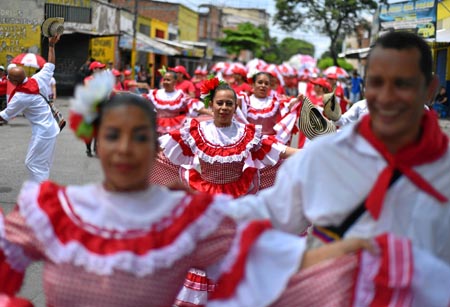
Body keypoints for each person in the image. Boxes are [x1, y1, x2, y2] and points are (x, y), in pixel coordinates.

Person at [1, 71, 449, 307]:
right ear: (96, 142)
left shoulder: (198, 222)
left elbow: (289, 267)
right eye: (113, 136)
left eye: (138, 136)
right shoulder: (51, 210)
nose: (125, 150)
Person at [226, 31, 450, 280]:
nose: (387, 96)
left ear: (429, 88)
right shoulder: (325, 156)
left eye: (402, 83)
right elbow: (274, 216)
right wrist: (200, 212)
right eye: (376, 81)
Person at [151, 79, 299, 198]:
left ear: (235, 107)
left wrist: (310, 152)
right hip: (204, 191)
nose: (224, 107)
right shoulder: (196, 131)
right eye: (219, 103)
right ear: (212, 105)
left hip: (238, 192)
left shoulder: (247, 133)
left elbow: (280, 150)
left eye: (229, 104)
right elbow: (162, 145)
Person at [0, 34, 61, 182]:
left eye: (9, 77)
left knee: (33, 163)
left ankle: (43, 195)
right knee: (42, 164)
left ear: (14, 81)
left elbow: (3, 116)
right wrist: (51, 45)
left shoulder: (21, 96)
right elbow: (51, 64)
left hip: (44, 132)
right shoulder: (38, 79)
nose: (7, 78)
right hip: (50, 128)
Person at [143, 70, 210, 135]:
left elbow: (195, 107)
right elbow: (140, 101)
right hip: (157, 125)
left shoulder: (180, 95)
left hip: (175, 126)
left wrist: (211, 113)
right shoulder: (156, 94)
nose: (165, 82)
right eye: (164, 79)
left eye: (168, 80)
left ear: (175, 82)